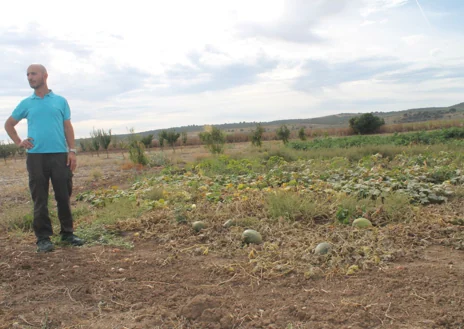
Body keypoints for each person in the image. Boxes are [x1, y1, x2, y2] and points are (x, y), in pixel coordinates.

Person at [4, 64, 84, 252]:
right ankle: (43, 238)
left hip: (59, 155)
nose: (30, 77)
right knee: (39, 198)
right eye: (27, 74)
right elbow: (9, 124)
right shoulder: (26, 103)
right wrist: (19, 142)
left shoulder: (60, 101)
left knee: (63, 195)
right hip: (36, 157)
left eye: (33, 74)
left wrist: (71, 151)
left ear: (45, 76)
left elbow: (67, 127)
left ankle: (67, 233)